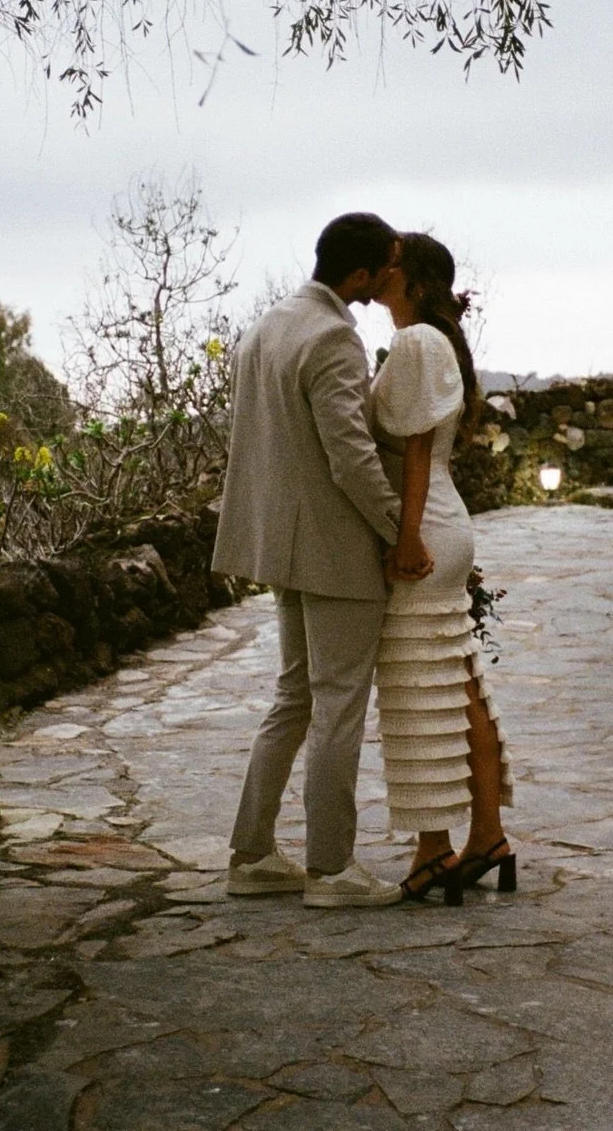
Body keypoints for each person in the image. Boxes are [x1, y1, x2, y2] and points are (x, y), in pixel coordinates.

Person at [212, 212, 424, 908]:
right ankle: (331, 869)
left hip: (281, 545)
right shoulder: (334, 337)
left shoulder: (269, 323)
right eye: (387, 266)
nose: (392, 276)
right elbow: (350, 457)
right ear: (360, 275)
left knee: (294, 697)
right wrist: (400, 532)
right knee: (337, 705)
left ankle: (251, 855)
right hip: (333, 550)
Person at [372, 232, 514, 904]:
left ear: (415, 278)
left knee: (419, 691)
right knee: (455, 681)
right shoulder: (431, 342)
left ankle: (435, 848)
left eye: (393, 260)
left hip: (423, 526)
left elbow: (418, 450)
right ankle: (486, 836)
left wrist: (406, 538)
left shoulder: (416, 344)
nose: (382, 265)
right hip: (437, 520)